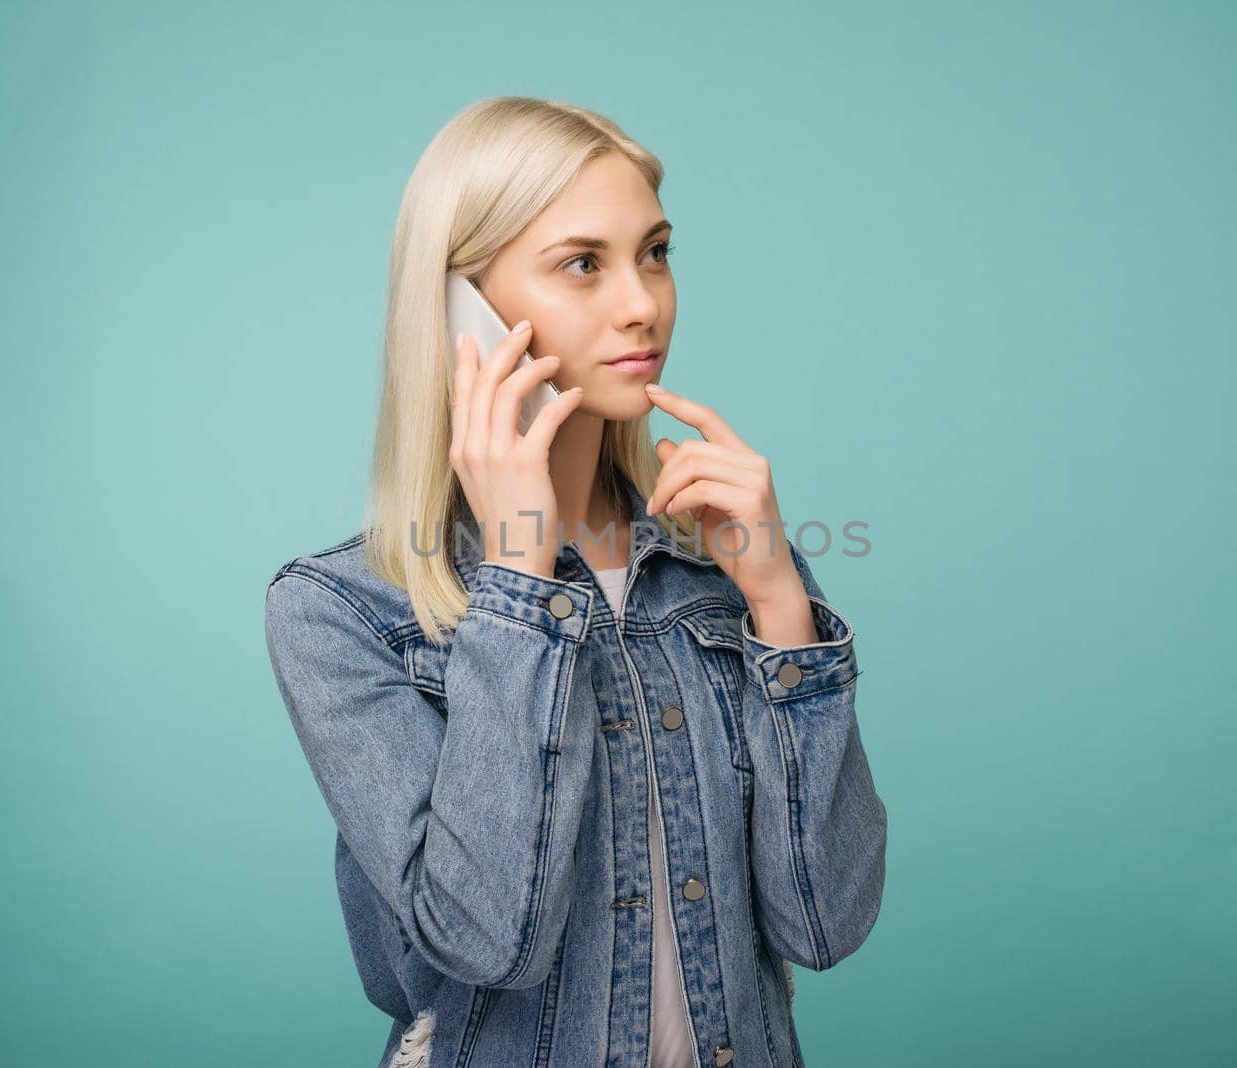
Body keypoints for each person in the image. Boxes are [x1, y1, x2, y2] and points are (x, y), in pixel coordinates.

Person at [264, 95, 887, 1068]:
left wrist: (778, 608)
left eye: (656, 252)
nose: (642, 303)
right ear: (459, 310)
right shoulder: (340, 612)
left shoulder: (731, 572)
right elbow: (485, 940)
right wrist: (516, 573)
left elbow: (825, 923)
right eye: (583, 264)